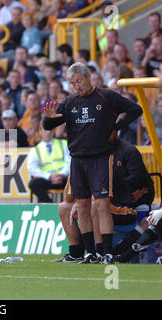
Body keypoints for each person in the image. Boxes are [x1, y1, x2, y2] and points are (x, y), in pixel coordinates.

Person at [43, 62, 143, 263]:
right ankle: (90, 252)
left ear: (88, 76)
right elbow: (50, 124)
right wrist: (48, 119)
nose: (76, 86)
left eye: (78, 81)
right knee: (82, 205)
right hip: (78, 159)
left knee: (102, 204)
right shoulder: (70, 102)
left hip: (100, 158)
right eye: (72, 83)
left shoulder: (107, 97)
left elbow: (135, 109)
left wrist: (117, 126)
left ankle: (106, 251)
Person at [55, 137, 155, 263]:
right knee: (64, 207)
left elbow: (139, 182)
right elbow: (68, 198)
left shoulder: (128, 151)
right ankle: (76, 254)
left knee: (94, 205)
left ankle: (99, 252)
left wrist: (95, 197)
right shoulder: (87, 154)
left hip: (128, 205)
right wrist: (74, 167)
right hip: (101, 202)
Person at [27, 123, 70, 203]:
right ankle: (50, 205)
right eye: (45, 130)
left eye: (50, 130)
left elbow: (70, 161)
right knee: (33, 184)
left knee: (75, 181)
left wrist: (62, 174)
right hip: (48, 179)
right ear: (40, 131)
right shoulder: (35, 150)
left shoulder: (63, 144)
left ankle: (69, 205)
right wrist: (49, 176)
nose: (48, 132)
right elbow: (32, 168)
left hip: (63, 178)